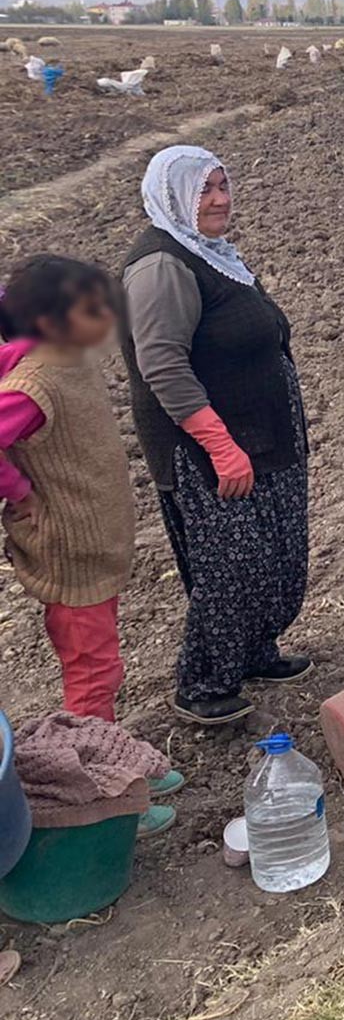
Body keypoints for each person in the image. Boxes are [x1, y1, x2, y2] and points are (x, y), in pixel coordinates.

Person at [123, 146, 310, 726]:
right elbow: (163, 367)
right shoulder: (161, 266)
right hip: (209, 449)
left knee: (272, 553)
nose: (221, 199)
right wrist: (221, 446)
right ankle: (203, 684)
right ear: (174, 196)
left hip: (262, 435)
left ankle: (254, 652)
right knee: (232, 567)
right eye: (204, 190)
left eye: (223, 185)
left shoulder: (208, 253)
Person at [0, 257, 140, 721]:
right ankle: (96, 781)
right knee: (92, 672)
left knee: (104, 663)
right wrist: (20, 490)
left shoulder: (68, 361)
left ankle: (112, 757)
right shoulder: (32, 385)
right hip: (71, 553)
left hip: (96, 545)